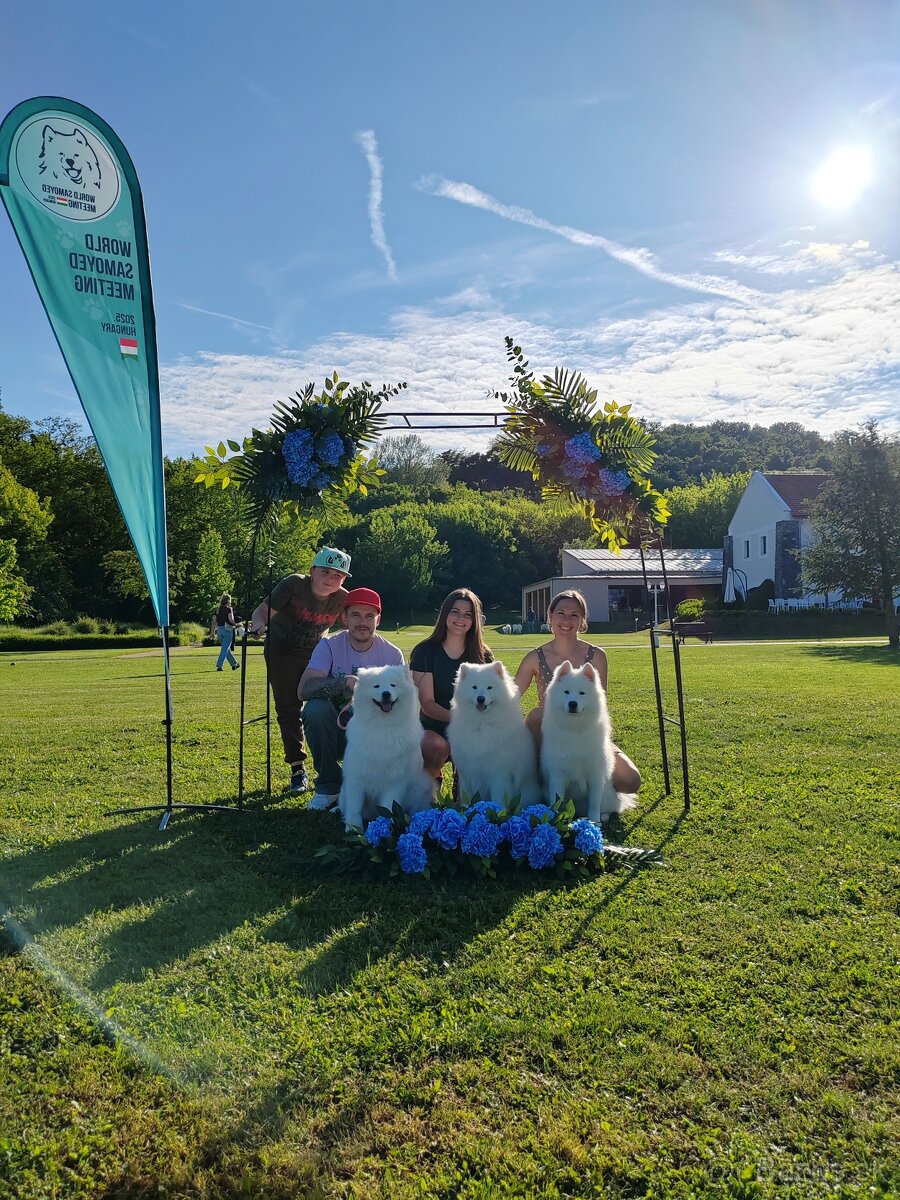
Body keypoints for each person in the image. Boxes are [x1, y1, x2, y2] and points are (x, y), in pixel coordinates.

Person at [299, 588, 446, 810]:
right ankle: (329, 787)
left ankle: (386, 796)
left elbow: (403, 702)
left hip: (378, 734)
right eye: (356, 615)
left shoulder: (392, 654)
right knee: (315, 709)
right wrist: (344, 682)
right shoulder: (329, 645)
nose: (362, 622)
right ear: (344, 618)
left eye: (369, 616)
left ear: (378, 620)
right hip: (337, 733)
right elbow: (304, 689)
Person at [513, 589, 641, 793]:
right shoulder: (535, 657)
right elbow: (511, 697)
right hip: (551, 737)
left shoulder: (597, 656)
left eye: (574, 615)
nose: (566, 620)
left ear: (582, 620)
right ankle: (540, 771)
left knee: (630, 780)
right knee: (537, 715)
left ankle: (588, 783)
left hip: (586, 735)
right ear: (550, 617)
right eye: (561, 613)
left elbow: (599, 706)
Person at [247, 546, 351, 795]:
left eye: (337, 575)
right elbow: (262, 611)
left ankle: (337, 761)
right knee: (289, 707)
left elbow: (359, 618)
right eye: (325, 571)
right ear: (312, 571)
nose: (330, 579)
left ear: (344, 579)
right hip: (281, 650)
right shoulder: (294, 585)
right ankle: (298, 769)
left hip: (316, 652)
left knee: (329, 700)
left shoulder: (343, 598)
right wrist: (259, 624)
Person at [409, 588, 494, 780]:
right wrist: (463, 719)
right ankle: (429, 785)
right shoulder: (425, 651)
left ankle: (464, 784)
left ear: (475, 621)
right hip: (434, 726)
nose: (460, 619)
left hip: (473, 728)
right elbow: (428, 704)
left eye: (468, 615)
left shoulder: (484, 656)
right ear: (445, 613)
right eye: (455, 611)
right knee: (436, 746)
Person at [214, 593, 240, 672]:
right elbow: (231, 619)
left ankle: (234, 664)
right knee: (224, 649)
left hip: (219, 630)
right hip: (227, 630)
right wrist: (237, 625)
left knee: (226, 648)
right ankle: (219, 665)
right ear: (228, 600)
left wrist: (212, 632)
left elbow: (214, 621)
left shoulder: (217, 609)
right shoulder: (229, 609)